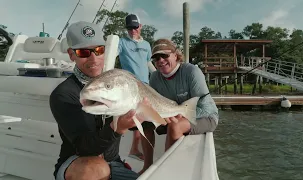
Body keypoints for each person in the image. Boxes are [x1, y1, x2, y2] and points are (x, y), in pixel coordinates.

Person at [49, 21, 145, 180]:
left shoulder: (119, 85)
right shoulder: (64, 94)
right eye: (83, 52)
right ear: (71, 55)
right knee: (96, 169)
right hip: (78, 163)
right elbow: (84, 148)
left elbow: (145, 116)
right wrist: (117, 128)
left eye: (98, 50)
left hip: (113, 163)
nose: (93, 59)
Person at [138, 38, 220, 174]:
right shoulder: (154, 78)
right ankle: (147, 166)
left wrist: (179, 116)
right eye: (156, 58)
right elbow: (153, 105)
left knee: (175, 126)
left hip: (206, 116)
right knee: (145, 122)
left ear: (176, 55)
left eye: (164, 55)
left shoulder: (192, 72)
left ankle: (165, 170)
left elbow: (206, 109)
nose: (160, 61)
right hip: (173, 114)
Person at [117, 13, 156, 161]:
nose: (132, 31)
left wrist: (159, 76)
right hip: (130, 86)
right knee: (129, 117)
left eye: (135, 27)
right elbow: (111, 54)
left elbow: (148, 63)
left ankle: (134, 148)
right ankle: (120, 149)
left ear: (140, 26)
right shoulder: (121, 42)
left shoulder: (146, 45)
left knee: (141, 118)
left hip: (145, 85)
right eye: (129, 28)